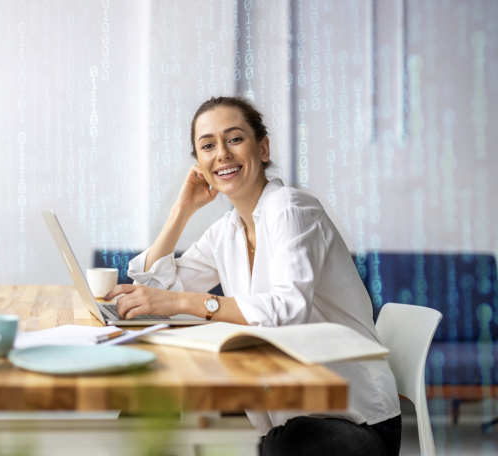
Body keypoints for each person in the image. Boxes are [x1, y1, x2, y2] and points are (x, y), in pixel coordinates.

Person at [104, 96, 402, 456]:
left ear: (263, 148)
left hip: (356, 421)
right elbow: (156, 292)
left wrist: (184, 302)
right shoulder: (227, 229)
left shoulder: (291, 210)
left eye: (234, 139)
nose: (222, 154)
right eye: (208, 146)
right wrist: (181, 210)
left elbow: (287, 309)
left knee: (282, 445)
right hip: (284, 416)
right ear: (199, 163)